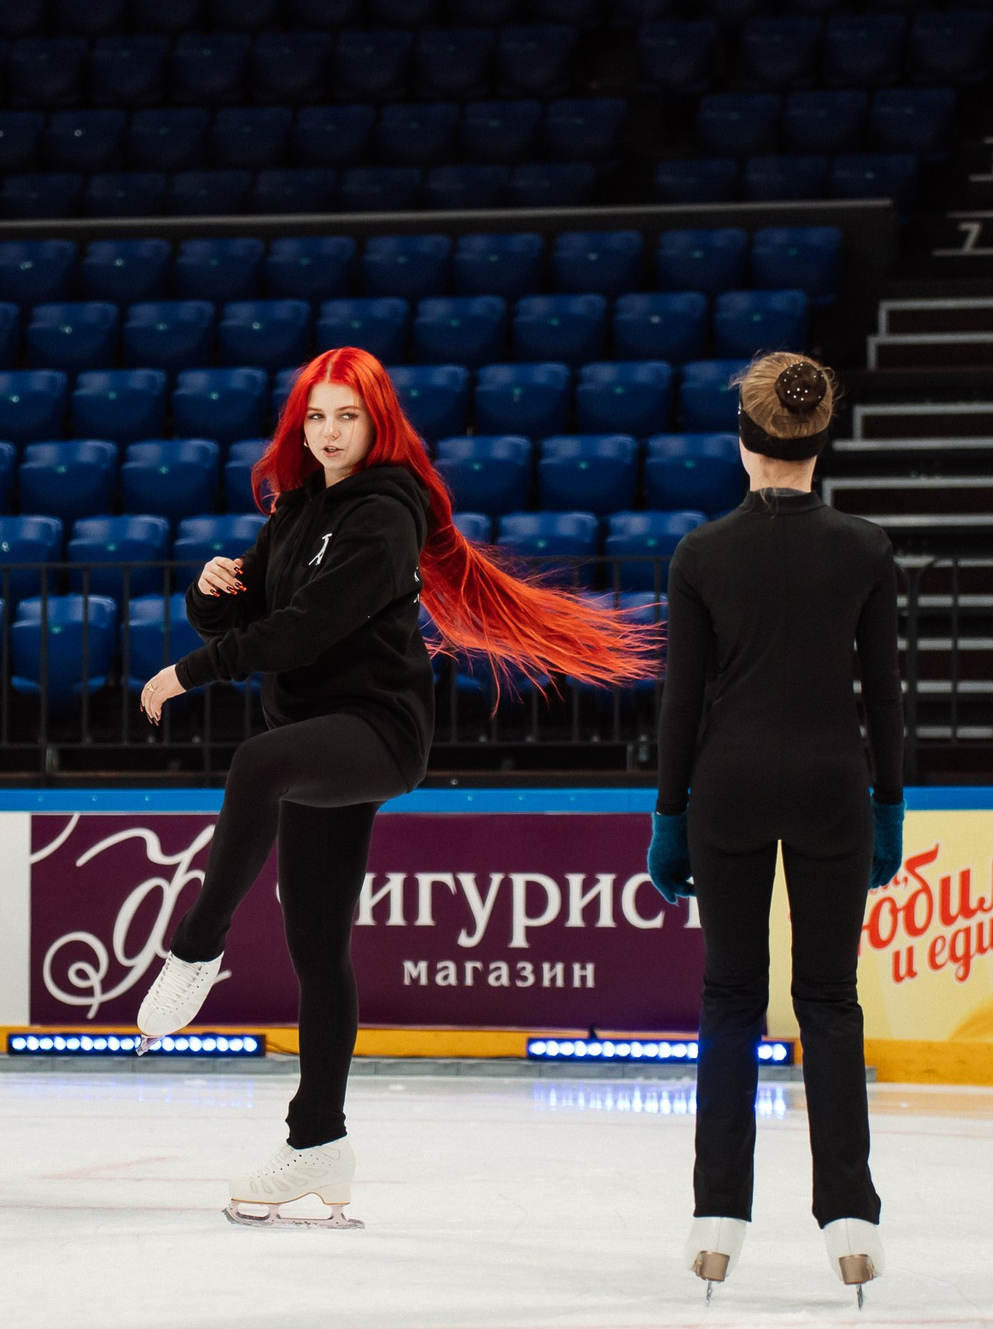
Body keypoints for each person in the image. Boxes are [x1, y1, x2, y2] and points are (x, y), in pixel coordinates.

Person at [133, 346, 655, 1227]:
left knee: (258, 764)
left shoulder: (387, 514)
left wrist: (190, 669)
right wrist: (211, 593)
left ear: (378, 425)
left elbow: (303, 630)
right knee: (315, 942)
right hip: (313, 736)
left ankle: (197, 950)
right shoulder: (300, 507)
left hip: (376, 732)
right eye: (316, 417)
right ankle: (318, 1146)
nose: (329, 432)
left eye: (347, 417)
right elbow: (256, 610)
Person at [646, 351, 905, 1303]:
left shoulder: (702, 552)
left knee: (729, 999)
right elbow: (884, 698)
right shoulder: (866, 546)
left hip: (732, 785)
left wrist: (668, 817)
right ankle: (851, 1223)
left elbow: (680, 707)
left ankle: (718, 1220)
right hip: (836, 781)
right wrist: (891, 808)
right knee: (830, 1000)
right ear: (817, 440)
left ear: (743, 442)